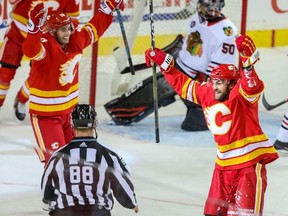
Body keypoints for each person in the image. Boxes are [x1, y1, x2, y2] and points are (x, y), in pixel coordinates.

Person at [144, 34, 279, 215]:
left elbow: (251, 86)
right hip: (222, 167)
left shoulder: (241, 94)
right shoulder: (207, 92)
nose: (215, 86)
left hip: (248, 164)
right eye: (214, 81)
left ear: (232, 84)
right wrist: (165, 63)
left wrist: (247, 62)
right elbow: (183, 85)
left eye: (221, 82)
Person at [104, 0, 238, 131]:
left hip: (196, 83)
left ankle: (203, 111)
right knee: (147, 91)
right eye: (201, 4)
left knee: (194, 125)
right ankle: (120, 115)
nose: (201, 8)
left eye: (205, 5)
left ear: (215, 6)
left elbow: (220, 72)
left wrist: (207, 96)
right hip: (178, 70)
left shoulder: (227, 32)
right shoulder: (196, 18)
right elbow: (186, 47)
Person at [22, 0, 124, 165]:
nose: (68, 33)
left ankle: (73, 190)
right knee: (57, 163)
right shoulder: (45, 44)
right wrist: (33, 30)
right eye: (63, 30)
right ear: (53, 31)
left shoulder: (75, 40)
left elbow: (94, 28)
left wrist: (108, 7)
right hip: (45, 116)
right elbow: (30, 50)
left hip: (69, 114)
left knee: (76, 159)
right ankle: (54, 191)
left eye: (69, 28)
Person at [41, 104, 139, 216]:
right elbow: (122, 183)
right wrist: (132, 203)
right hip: (98, 212)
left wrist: (51, 200)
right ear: (95, 124)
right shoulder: (109, 155)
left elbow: (46, 190)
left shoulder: (57, 156)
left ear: (72, 124)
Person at [0, 0, 80, 121]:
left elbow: (73, 19)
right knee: (5, 74)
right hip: (18, 32)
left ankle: (21, 99)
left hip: (43, 40)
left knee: (38, 76)